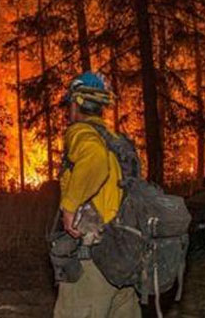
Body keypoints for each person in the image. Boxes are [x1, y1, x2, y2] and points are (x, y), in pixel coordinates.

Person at [54, 71, 141, 318]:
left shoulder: (81, 132)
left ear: (76, 103)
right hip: (124, 257)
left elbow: (95, 161)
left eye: (69, 104)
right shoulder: (117, 141)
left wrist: (69, 206)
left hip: (94, 259)